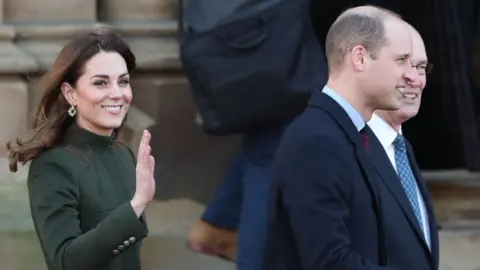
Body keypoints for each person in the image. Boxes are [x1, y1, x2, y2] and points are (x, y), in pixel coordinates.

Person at [262, 5, 420, 270]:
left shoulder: (351, 133)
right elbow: (329, 261)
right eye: (401, 60)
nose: (412, 76)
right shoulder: (318, 141)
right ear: (360, 58)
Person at [6, 29, 156, 270]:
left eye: (123, 81)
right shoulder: (52, 166)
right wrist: (136, 205)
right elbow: (66, 261)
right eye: (100, 82)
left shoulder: (124, 156)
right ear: (70, 93)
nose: (117, 93)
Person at [365, 25, 439, 269]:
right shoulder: (343, 148)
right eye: (401, 64)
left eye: (420, 67)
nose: (415, 79)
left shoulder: (400, 147)